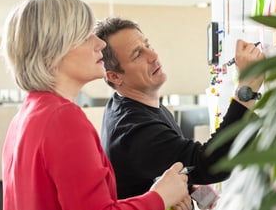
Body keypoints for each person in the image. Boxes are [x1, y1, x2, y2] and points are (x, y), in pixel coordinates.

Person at [1, 0, 189, 210]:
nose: (99, 43)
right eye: (84, 36)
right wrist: (160, 196)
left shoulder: (23, 117)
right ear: (51, 55)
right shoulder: (62, 118)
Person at [94, 17, 264, 200]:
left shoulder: (131, 103)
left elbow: (179, 165)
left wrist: (208, 201)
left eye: (147, 45)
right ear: (115, 77)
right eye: (137, 55)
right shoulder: (134, 131)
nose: (153, 56)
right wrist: (247, 89)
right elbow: (211, 164)